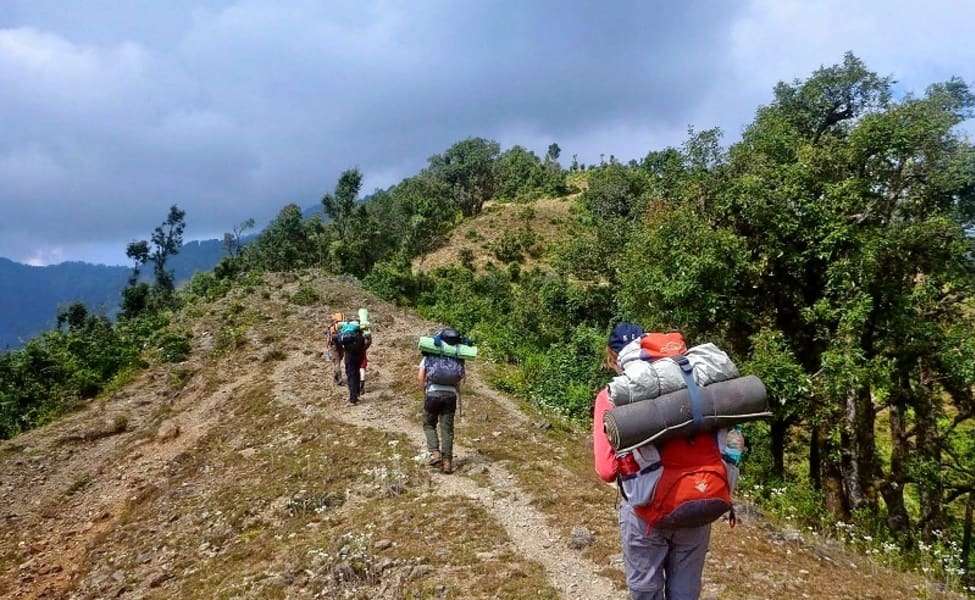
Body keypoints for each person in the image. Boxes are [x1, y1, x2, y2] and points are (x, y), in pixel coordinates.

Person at [592, 323, 713, 600]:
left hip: (645, 511)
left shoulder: (611, 397)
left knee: (646, 591)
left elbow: (606, 470)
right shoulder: (693, 383)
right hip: (698, 497)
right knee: (686, 592)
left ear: (614, 358)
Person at [417, 327, 465, 474]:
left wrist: (424, 390)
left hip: (433, 393)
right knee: (447, 430)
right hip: (450, 396)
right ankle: (447, 463)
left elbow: (421, 377)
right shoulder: (457, 355)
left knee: (429, 424)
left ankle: (435, 453)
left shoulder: (430, 354)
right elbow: (462, 378)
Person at [325, 313, 345, 386]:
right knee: (338, 363)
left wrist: (327, 348)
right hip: (341, 347)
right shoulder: (342, 327)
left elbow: (327, 337)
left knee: (336, 363)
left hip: (333, 347)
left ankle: (337, 379)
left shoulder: (331, 327)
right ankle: (337, 379)